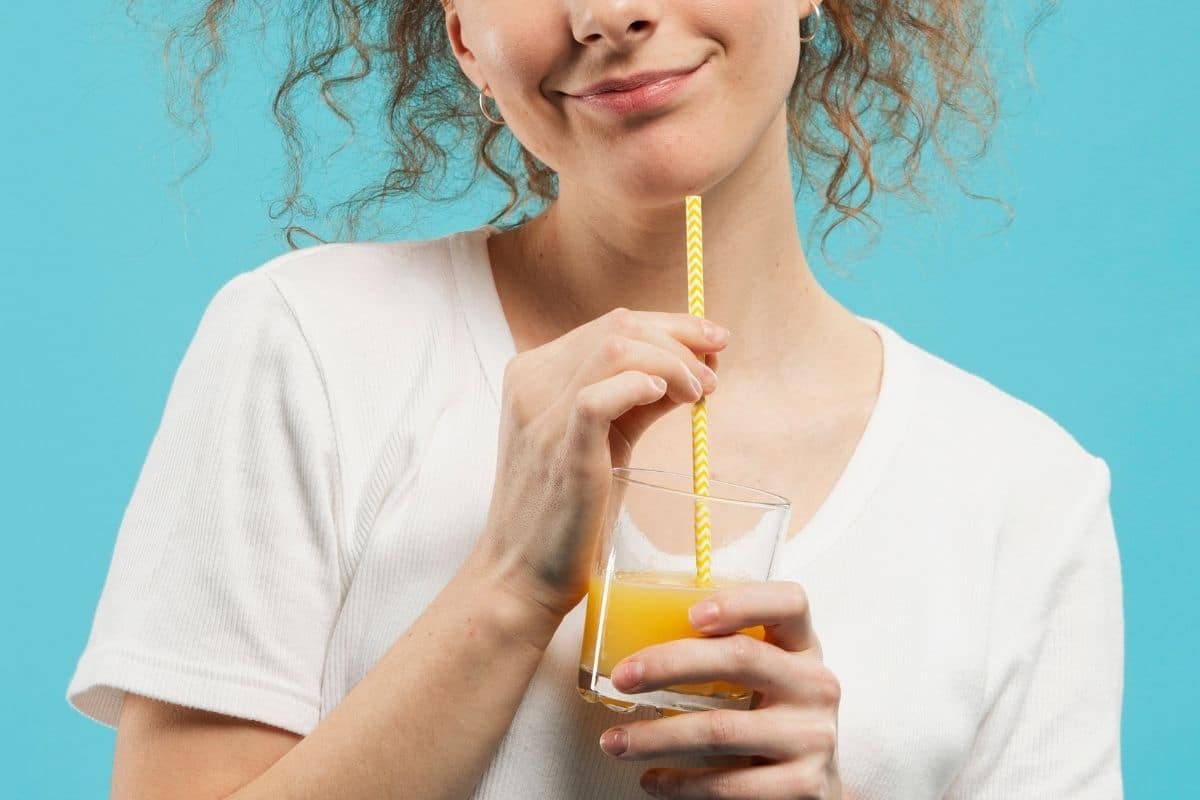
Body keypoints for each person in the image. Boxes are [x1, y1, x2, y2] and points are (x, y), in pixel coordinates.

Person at [67, 1, 1124, 798]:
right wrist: (510, 586)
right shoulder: (308, 345)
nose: (604, 13)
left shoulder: (1024, 493)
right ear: (463, 38)